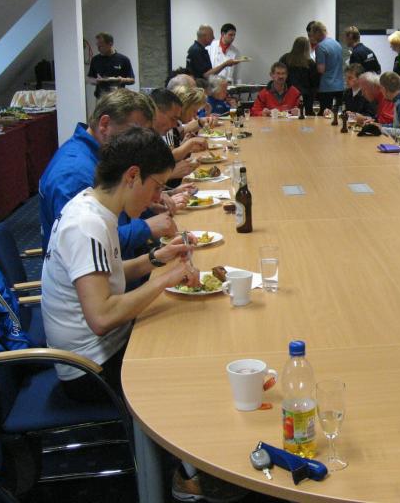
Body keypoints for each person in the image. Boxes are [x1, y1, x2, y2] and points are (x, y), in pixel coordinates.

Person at [40, 127, 246, 503]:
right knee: (189, 359)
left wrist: (155, 259)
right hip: (88, 367)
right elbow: (101, 316)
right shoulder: (87, 226)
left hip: (103, 346)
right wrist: (165, 279)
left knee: (193, 331)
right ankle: (186, 476)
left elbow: (106, 275)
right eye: (156, 187)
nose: (157, 198)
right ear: (132, 175)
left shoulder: (93, 207)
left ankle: (199, 459)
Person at [39, 90, 176, 255]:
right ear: (104, 124)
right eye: (132, 133)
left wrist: (147, 201)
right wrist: (146, 227)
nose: (140, 142)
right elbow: (86, 244)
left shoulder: (101, 155)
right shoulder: (75, 174)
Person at [309, 21, 344, 113]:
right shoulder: (337, 44)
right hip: (340, 86)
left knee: (326, 115)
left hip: (327, 87)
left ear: (317, 32)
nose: (313, 38)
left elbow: (321, 69)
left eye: (313, 35)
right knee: (337, 114)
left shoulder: (320, 47)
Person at [87, 32, 135, 99]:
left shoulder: (124, 59)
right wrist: (96, 81)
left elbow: (132, 80)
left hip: (118, 98)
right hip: (101, 98)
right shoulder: (95, 59)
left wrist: (119, 80)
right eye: (97, 45)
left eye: (101, 46)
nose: (98, 48)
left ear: (110, 44)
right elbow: (90, 78)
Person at [279, 36, 319, 115]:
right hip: (305, 96)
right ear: (307, 48)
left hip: (287, 93)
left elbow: (279, 73)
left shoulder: (285, 58)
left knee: (287, 115)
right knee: (304, 116)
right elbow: (315, 83)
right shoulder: (310, 63)